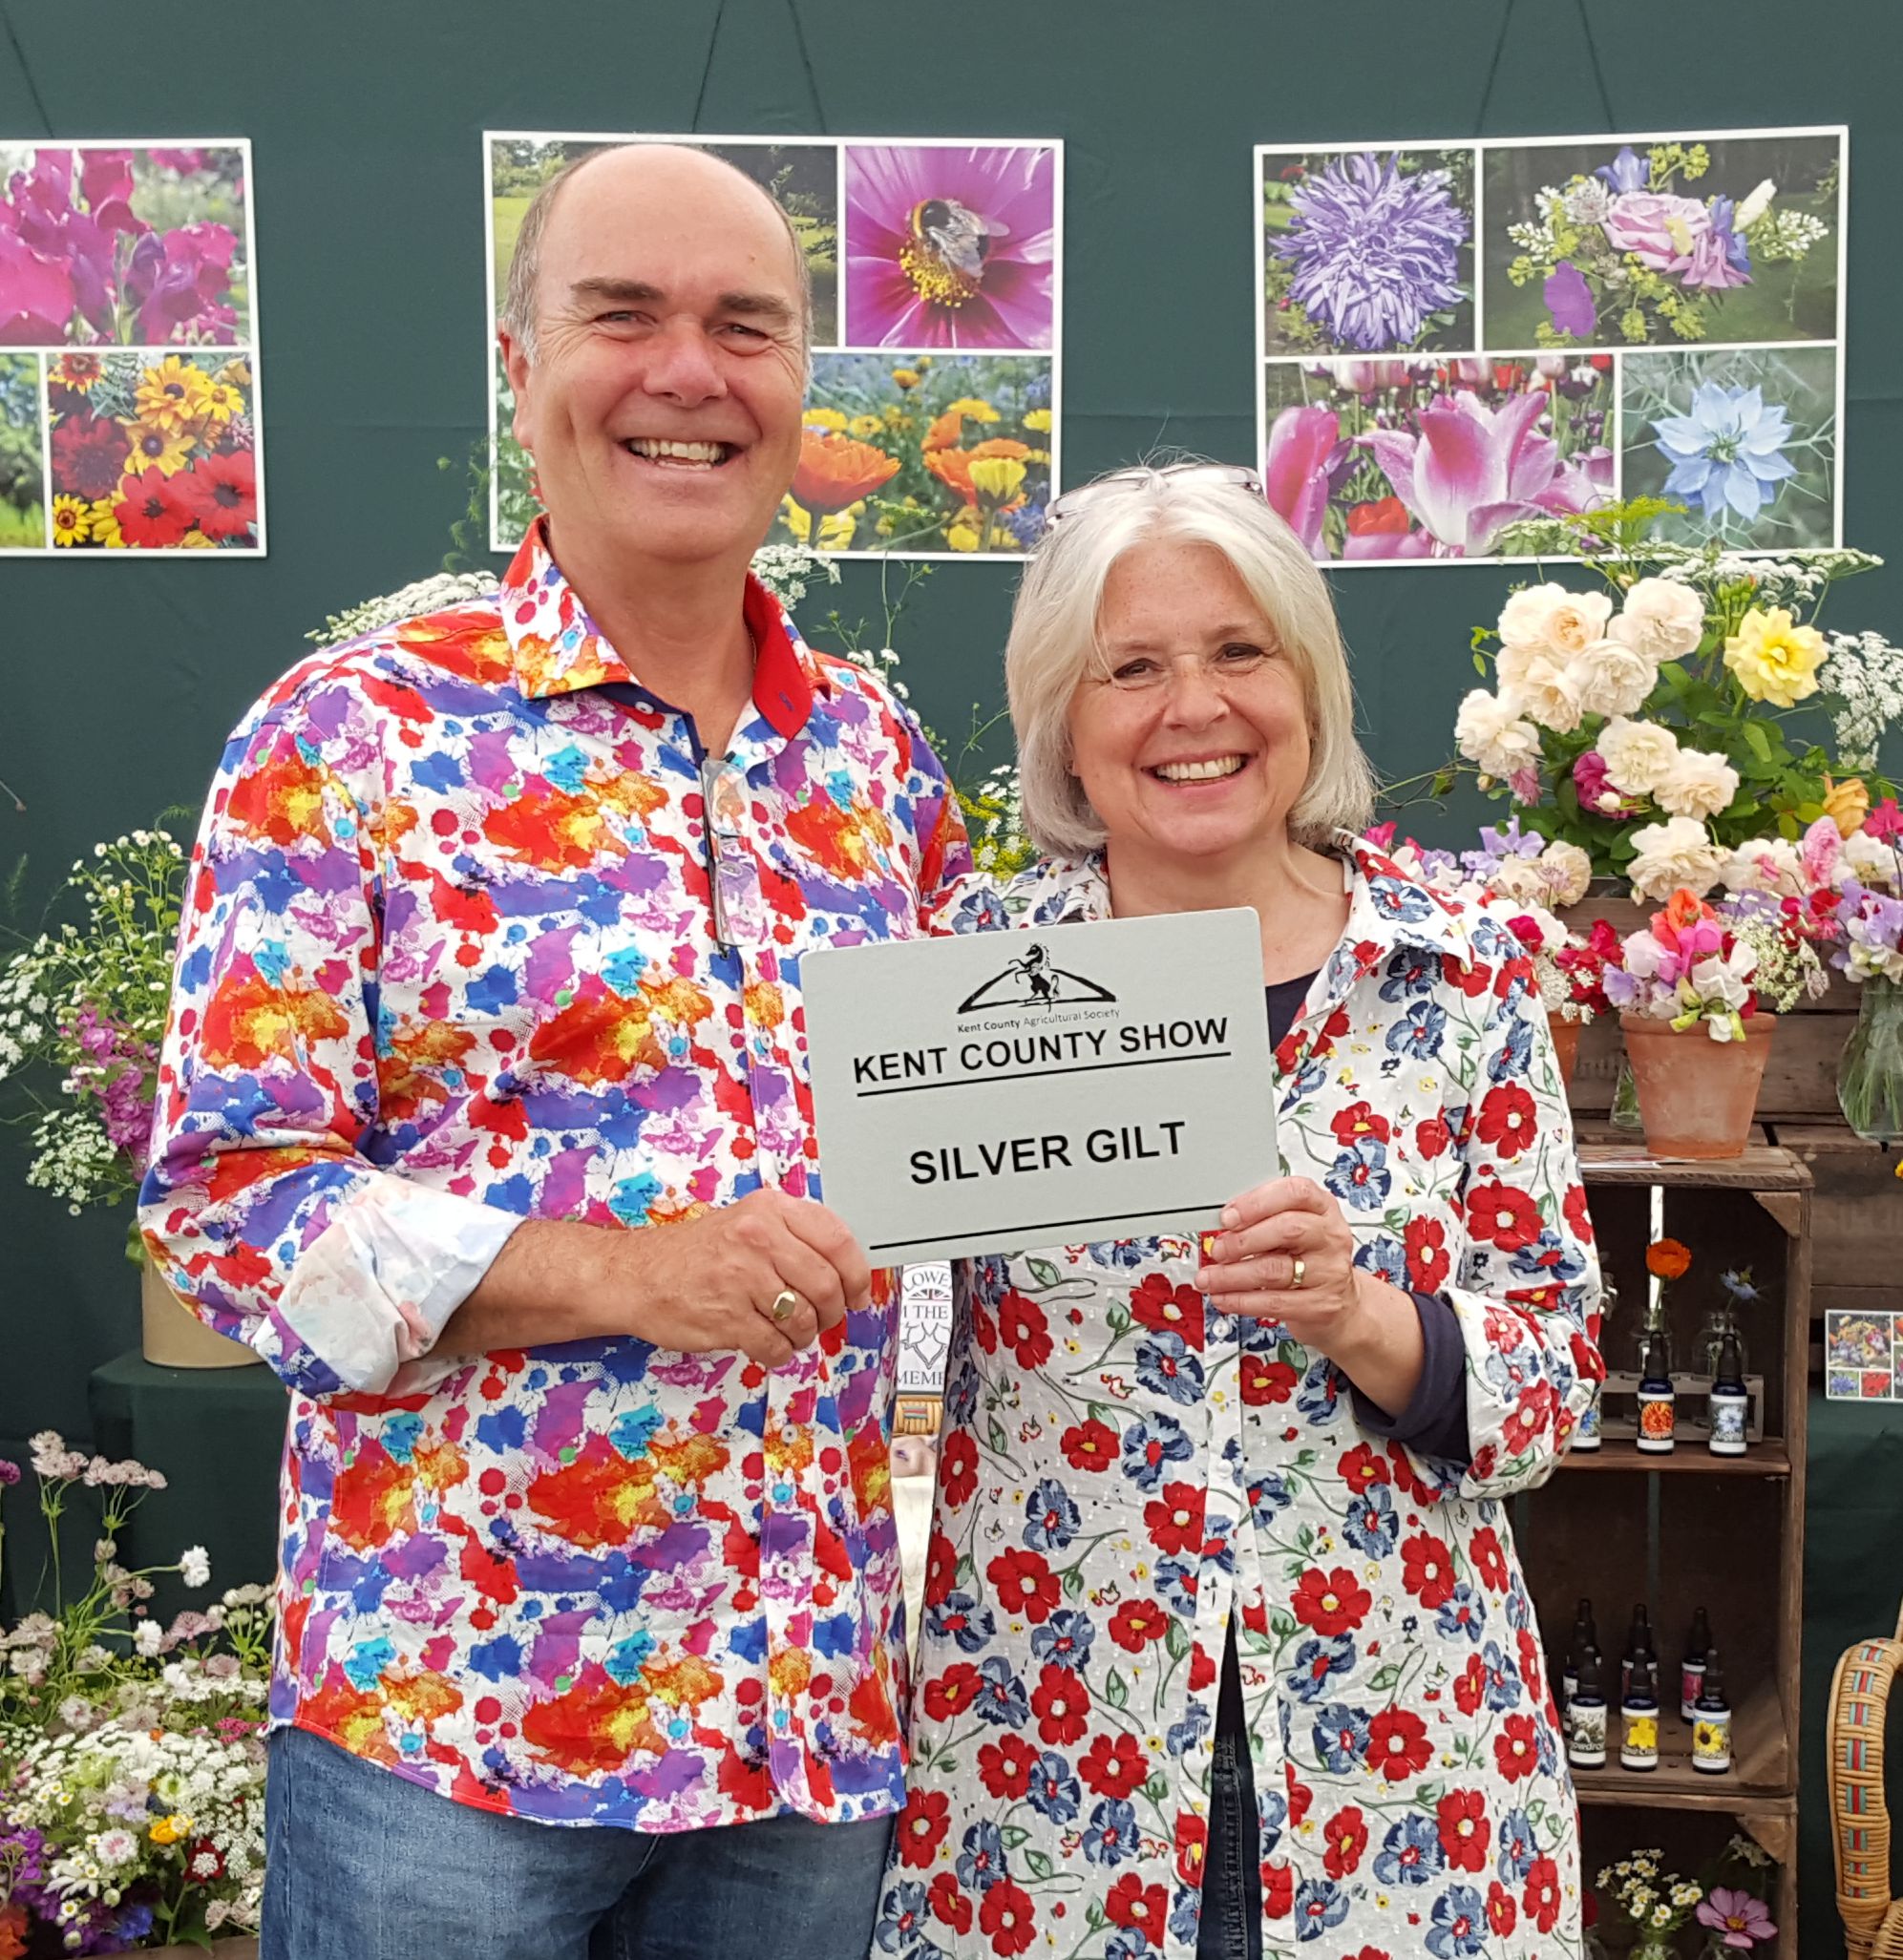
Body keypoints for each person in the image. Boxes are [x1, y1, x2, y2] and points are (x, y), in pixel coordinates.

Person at [139, 143, 969, 1960]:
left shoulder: (876, 765)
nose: (688, 371)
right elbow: (229, 1207)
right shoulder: (347, 735)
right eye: (623, 315)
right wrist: (625, 1274)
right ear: (520, 369)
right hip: (456, 1732)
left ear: (800, 382)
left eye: (744, 325)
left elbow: (970, 1137)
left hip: (804, 1721)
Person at [873, 464, 1602, 1960]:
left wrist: (1363, 1316)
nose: (1191, 706)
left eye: (1235, 650)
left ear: (1306, 682)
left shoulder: (1457, 974)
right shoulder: (964, 976)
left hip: (1400, 1786)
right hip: (1051, 1779)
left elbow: (1553, 1385)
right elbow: (854, 1308)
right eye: (1129, 667)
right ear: (1062, 720)